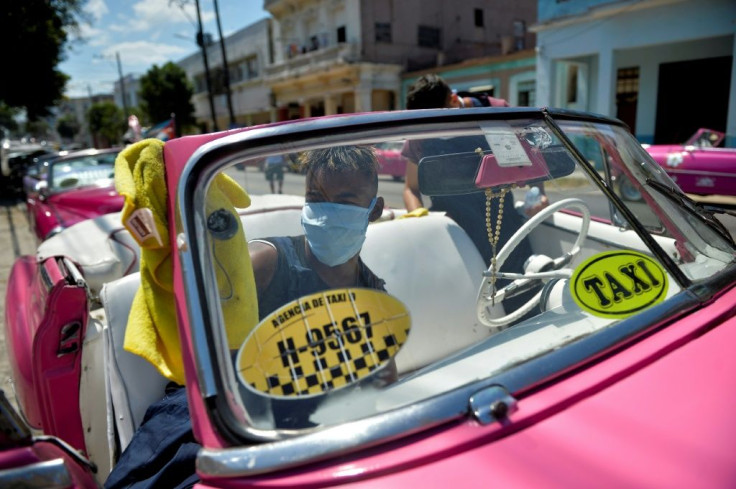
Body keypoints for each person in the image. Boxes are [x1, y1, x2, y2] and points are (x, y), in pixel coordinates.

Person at [105, 145, 387, 489]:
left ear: (374, 210)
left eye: (345, 200)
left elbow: (381, 382)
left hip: (307, 433)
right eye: (316, 196)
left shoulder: (372, 293)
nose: (327, 212)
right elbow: (199, 345)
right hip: (224, 421)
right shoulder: (264, 264)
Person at [401, 73, 536, 313]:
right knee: (466, 302)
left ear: (453, 100)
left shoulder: (494, 112)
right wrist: (419, 218)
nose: (435, 129)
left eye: (439, 120)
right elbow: (411, 188)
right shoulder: (419, 135)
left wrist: (536, 190)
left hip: (502, 220)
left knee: (521, 295)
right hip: (453, 231)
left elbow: (528, 163)